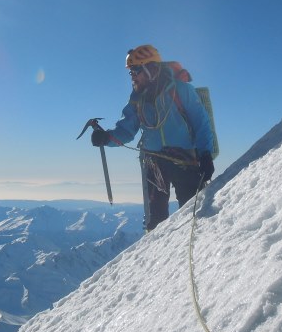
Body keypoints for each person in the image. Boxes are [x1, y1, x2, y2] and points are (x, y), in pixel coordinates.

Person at [91, 45, 215, 231]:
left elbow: (201, 122)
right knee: (155, 218)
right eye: (131, 71)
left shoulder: (181, 90)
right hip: (152, 160)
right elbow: (127, 130)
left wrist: (205, 153)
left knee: (192, 208)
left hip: (184, 158)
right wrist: (107, 138)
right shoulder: (137, 99)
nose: (132, 75)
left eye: (136, 70)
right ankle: (155, 253)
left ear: (150, 68)